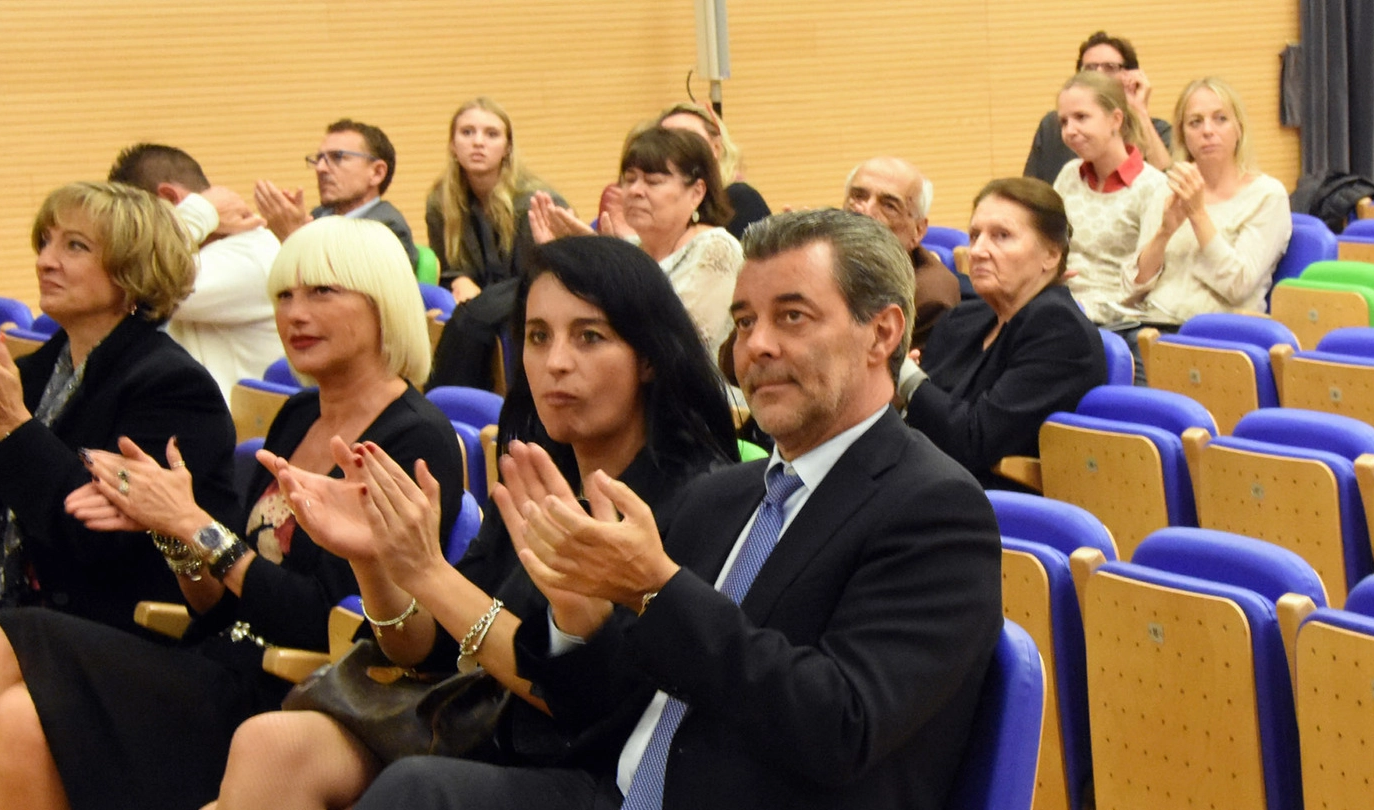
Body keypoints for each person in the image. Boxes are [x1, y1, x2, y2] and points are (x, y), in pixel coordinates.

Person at [352, 209, 1004, 810]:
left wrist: (657, 588)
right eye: (745, 321)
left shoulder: (933, 508)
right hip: (622, 792)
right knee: (419, 791)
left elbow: (840, 728)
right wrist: (574, 619)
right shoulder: (725, 498)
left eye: (793, 317)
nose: (757, 347)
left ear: (882, 332)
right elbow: (594, 710)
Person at [211, 235, 739, 810]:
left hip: (596, 765)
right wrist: (376, 562)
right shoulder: (536, 471)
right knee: (272, 743)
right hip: (481, 726)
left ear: (649, 356)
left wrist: (430, 574)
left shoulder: (699, 496)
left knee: (415, 788)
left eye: (590, 337)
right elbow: (423, 651)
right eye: (538, 337)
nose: (556, 362)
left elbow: (589, 701)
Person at [0, 216, 464, 810]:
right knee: (17, 717)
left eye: (322, 292)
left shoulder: (413, 438)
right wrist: (168, 529)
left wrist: (195, 524)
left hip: (298, 693)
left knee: (18, 636)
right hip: (220, 661)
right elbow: (217, 603)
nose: (295, 314)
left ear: (383, 305)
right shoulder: (299, 415)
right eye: (285, 296)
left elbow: (328, 622)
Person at [0, 181, 238, 633]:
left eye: (75, 246)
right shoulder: (33, 373)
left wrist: (13, 426)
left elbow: (92, 543)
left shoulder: (172, 387)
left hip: (114, 630)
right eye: (46, 242)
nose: (45, 260)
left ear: (131, 271)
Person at [901, 178, 1106, 490]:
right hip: (927, 481)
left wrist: (903, 376)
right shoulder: (962, 319)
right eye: (975, 235)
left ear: (1051, 254)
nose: (978, 250)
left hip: (988, 505)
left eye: (1002, 236)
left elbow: (975, 441)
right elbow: (926, 415)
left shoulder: (1059, 330)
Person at [531, 127, 742, 360]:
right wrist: (568, 265)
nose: (635, 191)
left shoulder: (716, 249)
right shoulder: (628, 248)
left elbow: (676, 343)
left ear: (696, 192)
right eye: (629, 179)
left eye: (653, 181)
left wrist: (609, 270)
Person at [108, 143, 285, 403]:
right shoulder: (196, 255)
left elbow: (136, 281)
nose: (134, 240)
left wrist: (197, 214)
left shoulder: (252, 253)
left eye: (139, 227)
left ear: (170, 199)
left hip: (240, 437)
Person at [1126, 78, 1292, 323]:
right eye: (1195, 122)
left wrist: (1198, 215)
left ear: (1239, 129)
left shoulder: (1267, 195)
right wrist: (1164, 232)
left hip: (1219, 334)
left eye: (1220, 119)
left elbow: (1237, 286)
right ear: (1183, 135)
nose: (1207, 131)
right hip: (1153, 324)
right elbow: (1134, 286)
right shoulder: (1167, 189)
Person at [1052, 71, 1164, 380]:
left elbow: (1143, 283)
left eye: (1081, 118)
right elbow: (1050, 247)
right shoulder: (1068, 175)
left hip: (1121, 320)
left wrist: (1084, 308)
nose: (1070, 130)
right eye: (1064, 122)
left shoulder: (1152, 186)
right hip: (1065, 308)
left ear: (1116, 119)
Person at [427, 98, 565, 305]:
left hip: (531, 302)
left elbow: (543, 277)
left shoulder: (536, 202)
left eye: (491, 134)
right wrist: (459, 279)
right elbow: (446, 271)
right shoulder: (440, 201)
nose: (478, 142)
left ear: (508, 148)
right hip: (472, 306)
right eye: (467, 132)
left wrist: (485, 301)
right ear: (453, 145)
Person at [843, 156, 975, 349]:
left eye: (889, 205)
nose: (866, 211)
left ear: (918, 231)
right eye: (859, 196)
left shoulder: (928, 300)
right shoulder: (827, 259)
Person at [254, 119, 420, 270]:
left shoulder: (387, 228)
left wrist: (294, 237)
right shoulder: (318, 216)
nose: (320, 168)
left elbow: (352, 292)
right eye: (319, 158)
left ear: (377, 173)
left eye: (337, 157)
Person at [1024, 30, 1173, 184]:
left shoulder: (1158, 129)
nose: (1099, 75)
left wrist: (1139, 111)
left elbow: (1168, 185)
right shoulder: (1054, 126)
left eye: (1110, 67)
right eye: (1090, 68)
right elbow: (1031, 192)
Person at [655, 102, 770, 238]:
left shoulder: (739, 199)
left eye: (689, 138)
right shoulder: (658, 209)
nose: (678, 148)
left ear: (716, 147)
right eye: (666, 142)